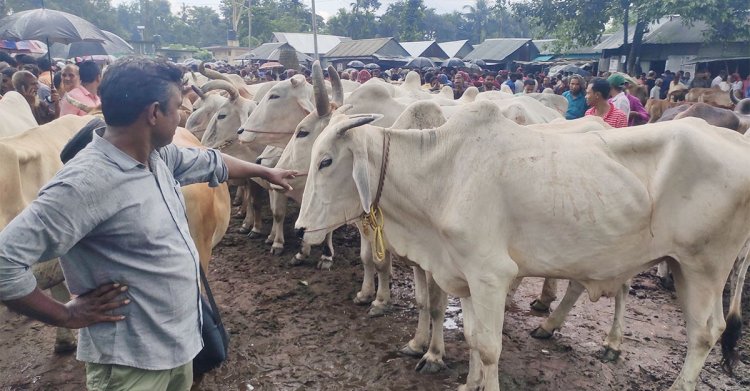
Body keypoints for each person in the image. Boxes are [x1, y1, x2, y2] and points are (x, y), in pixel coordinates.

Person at [0, 57, 298, 390]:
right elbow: (4, 262)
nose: (180, 117)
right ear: (154, 113)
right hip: (131, 366)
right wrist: (65, 316)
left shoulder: (156, 158)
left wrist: (264, 171)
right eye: (176, 109)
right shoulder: (84, 184)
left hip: (175, 350)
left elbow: (211, 160)